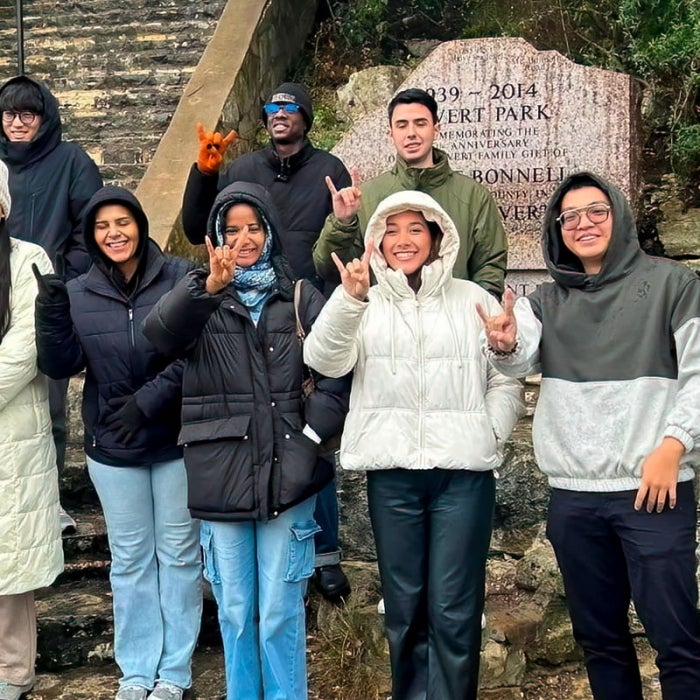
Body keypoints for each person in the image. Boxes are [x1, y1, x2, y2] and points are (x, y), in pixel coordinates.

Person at [478, 172, 700, 700]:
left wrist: (675, 445)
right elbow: (518, 358)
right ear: (558, 230)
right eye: (570, 216)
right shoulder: (545, 302)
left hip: (653, 489)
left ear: (618, 214)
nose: (584, 224)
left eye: (596, 211)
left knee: (677, 641)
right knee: (599, 640)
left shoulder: (674, 284)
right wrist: (504, 344)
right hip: (575, 497)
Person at [303, 190, 523, 700]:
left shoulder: (475, 298)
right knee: (403, 607)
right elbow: (323, 360)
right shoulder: (366, 299)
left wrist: (490, 428)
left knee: (454, 607)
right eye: (392, 230)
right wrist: (349, 299)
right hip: (394, 477)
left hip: (462, 477)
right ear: (377, 240)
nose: (404, 240)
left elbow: (506, 377)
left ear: (438, 236)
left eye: (416, 229)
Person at [144, 181, 350, 700]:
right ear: (215, 236)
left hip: (291, 473)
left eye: (253, 227)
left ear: (270, 232)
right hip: (223, 475)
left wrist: (309, 439)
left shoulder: (299, 296)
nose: (243, 239)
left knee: (280, 611)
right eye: (231, 229)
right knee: (235, 612)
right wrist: (208, 289)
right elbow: (158, 337)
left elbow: (338, 372)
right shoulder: (199, 296)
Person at [181, 81, 353, 602]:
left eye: (289, 106)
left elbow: (335, 251)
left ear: (305, 115)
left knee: (307, 434)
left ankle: (325, 555)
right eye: (271, 106)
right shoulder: (241, 169)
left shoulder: (330, 169)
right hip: (242, 317)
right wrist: (204, 174)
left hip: (298, 315)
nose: (278, 113)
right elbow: (196, 229)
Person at [33, 186, 201, 700]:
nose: (114, 234)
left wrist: (148, 401)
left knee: (178, 555)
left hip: (173, 437)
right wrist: (53, 314)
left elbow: (196, 351)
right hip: (113, 445)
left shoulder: (178, 276)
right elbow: (61, 366)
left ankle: (174, 670)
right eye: (102, 226)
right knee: (130, 560)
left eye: (123, 222)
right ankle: (136, 669)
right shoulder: (81, 290)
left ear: (141, 223)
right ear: (91, 234)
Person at [0, 75, 103, 533]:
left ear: (45, 118)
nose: (18, 123)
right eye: (9, 114)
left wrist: (64, 280)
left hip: (44, 300)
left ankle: (51, 499)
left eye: (28, 114)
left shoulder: (70, 161)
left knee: (49, 408)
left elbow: (91, 226)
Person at [313, 88, 508, 299]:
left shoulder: (472, 195)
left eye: (420, 123)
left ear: (436, 129)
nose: (411, 133)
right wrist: (342, 223)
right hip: (386, 325)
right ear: (391, 134)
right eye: (402, 125)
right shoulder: (368, 196)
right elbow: (328, 269)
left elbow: (490, 266)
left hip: (452, 326)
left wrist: (477, 315)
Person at [0, 160, 63, 700]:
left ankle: (13, 672)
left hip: (10, 435)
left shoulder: (29, 261)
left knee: (8, 563)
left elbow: (26, 346)